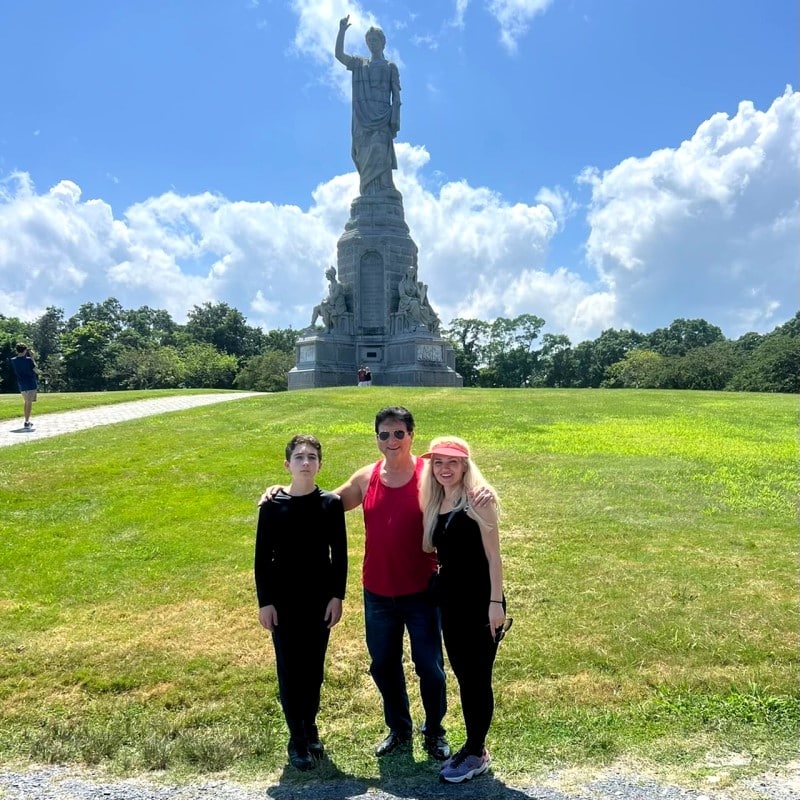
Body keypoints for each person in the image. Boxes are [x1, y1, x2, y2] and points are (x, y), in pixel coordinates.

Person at [260, 407, 451, 761]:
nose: (391, 441)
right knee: (384, 664)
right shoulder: (368, 477)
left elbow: (462, 492)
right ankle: (399, 728)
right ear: (376, 438)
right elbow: (320, 504)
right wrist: (280, 492)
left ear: (411, 435)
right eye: (384, 434)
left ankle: (435, 731)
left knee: (430, 666)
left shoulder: (430, 476)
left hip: (422, 590)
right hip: (378, 591)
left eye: (398, 434)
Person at [254, 434, 348, 771]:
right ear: (287, 464)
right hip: (283, 602)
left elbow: (340, 555)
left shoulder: (330, 504)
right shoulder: (272, 506)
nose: (305, 462)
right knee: (289, 670)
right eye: (299, 457)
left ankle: (310, 727)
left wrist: (338, 595)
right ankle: (296, 738)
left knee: (313, 670)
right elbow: (262, 559)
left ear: (320, 464)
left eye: (311, 457)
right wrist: (265, 602)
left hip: (320, 600)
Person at [419, 436, 508, 784]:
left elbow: (494, 557)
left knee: (476, 680)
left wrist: (496, 604)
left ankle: (475, 751)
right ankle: (475, 748)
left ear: (465, 466)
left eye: (452, 462)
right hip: (451, 605)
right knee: (464, 677)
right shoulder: (436, 502)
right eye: (438, 462)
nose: (444, 468)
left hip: (480, 604)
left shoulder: (478, 501)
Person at [335, 15, 401, 196]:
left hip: (383, 118)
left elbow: (396, 96)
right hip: (362, 119)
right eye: (369, 41)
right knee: (362, 154)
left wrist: (395, 120)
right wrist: (341, 31)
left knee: (381, 153)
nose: (372, 43)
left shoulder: (390, 67)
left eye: (375, 40)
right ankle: (368, 192)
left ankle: (385, 189)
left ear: (383, 42)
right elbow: (339, 55)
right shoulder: (359, 64)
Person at [398, 265, 440, 333]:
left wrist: (424, 290)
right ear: (406, 273)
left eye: (412, 272)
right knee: (415, 304)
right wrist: (412, 299)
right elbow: (402, 295)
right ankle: (416, 323)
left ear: (414, 274)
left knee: (425, 309)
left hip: (415, 302)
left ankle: (426, 326)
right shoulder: (402, 283)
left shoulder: (415, 284)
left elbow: (419, 295)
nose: (411, 273)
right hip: (405, 303)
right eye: (409, 272)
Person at [9, 343, 38, 429]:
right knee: (29, 403)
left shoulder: (13, 360)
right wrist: (32, 357)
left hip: (21, 383)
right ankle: (26, 421)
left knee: (26, 402)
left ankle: (27, 420)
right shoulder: (28, 360)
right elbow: (35, 369)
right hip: (30, 382)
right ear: (25, 350)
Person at [310, 266, 347, 331]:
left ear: (331, 275)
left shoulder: (338, 285)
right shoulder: (330, 285)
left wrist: (326, 302)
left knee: (324, 307)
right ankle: (312, 325)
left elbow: (335, 296)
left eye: (327, 275)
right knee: (316, 308)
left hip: (339, 306)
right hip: (332, 304)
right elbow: (330, 296)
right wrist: (325, 300)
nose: (326, 276)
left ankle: (327, 327)